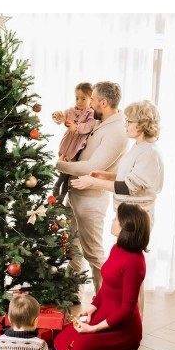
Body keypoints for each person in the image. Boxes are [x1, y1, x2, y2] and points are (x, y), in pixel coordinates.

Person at [71, 100, 163, 314]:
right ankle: (125, 317)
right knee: (126, 270)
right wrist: (106, 175)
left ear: (140, 125)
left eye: (129, 121)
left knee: (132, 273)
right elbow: (129, 178)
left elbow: (129, 187)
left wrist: (94, 183)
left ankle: (134, 320)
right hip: (128, 216)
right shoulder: (138, 148)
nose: (126, 125)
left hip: (137, 218)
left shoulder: (149, 152)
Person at [53, 202, 150, 350]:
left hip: (122, 325)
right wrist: (92, 307)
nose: (112, 221)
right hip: (104, 311)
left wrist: (94, 328)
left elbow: (127, 310)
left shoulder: (135, 263)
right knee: (64, 338)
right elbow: (107, 285)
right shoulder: (117, 247)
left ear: (126, 226)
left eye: (116, 219)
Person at [56, 82, 128, 294]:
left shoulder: (116, 131)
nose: (89, 105)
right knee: (73, 246)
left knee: (93, 253)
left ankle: (105, 300)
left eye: (93, 101)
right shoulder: (99, 121)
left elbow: (93, 167)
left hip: (91, 200)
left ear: (103, 103)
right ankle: (74, 292)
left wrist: (59, 164)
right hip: (76, 193)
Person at [51, 82, 96, 202]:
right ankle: (58, 189)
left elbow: (89, 126)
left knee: (69, 171)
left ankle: (60, 191)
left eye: (83, 98)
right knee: (64, 166)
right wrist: (58, 116)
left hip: (76, 146)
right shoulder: (70, 110)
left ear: (91, 100)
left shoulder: (90, 113)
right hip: (67, 143)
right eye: (77, 98)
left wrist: (76, 128)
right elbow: (60, 119)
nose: (79, 101)